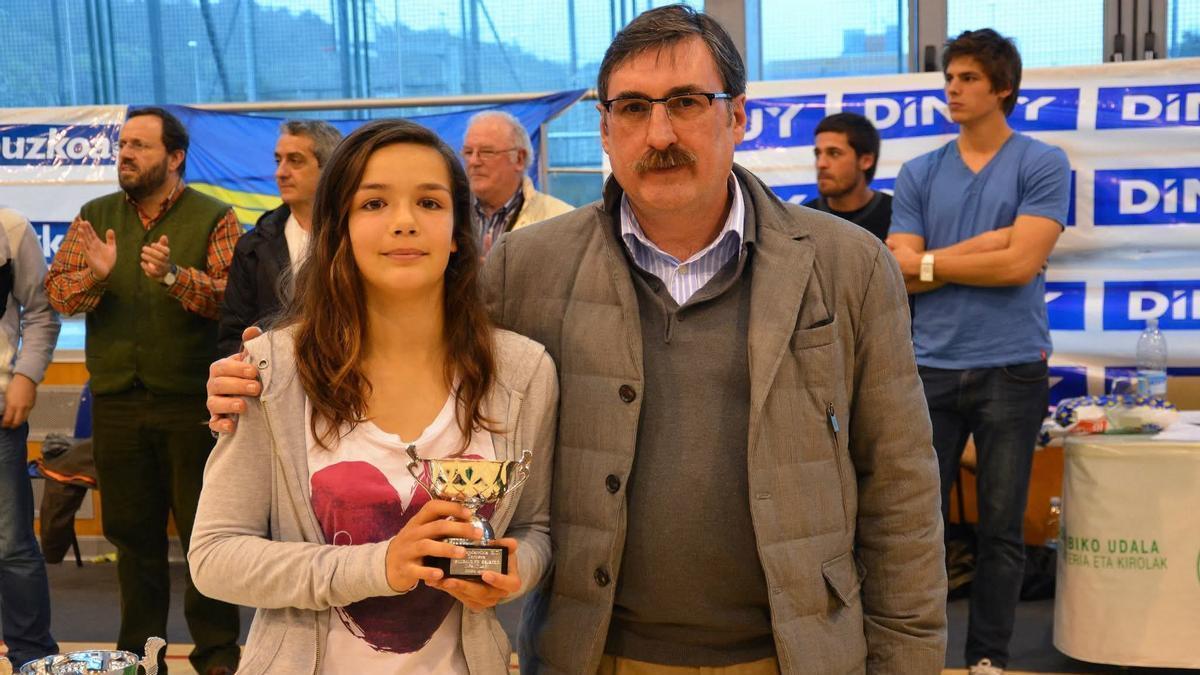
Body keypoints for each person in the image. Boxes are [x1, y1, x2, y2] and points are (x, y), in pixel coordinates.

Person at [207, 6, 946, 673]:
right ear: (604, 128)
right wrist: (260, 373)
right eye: (634, 108)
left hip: (798, 652)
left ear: (738, 116)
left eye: (687, 102)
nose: (660, 133)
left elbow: (901, 486)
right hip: (595, 652)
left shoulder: (847, 266)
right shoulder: (528, 268)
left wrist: (907, 659)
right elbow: (411, 329)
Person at [189, 119, 558, 675]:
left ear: (457, 231)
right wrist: (379, 566)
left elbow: (537, 530)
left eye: (429, 203)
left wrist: (514, 569)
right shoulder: (271, 370)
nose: (404, 222)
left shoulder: (523, 371)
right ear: (339, 229)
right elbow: (214, 556)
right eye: (374, 203)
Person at [888, 29, 1070, 675]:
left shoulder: (1041, 162)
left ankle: (988, 658)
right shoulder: (919, 171)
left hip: (1011, 366)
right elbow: (898, 273)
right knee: (915, 528)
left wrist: (935, 261)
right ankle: (913, 656)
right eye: (950, 78)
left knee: (1000, 527)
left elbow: (1020, 265)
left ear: (1003, 88)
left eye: (968, 78)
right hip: (929, 366)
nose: (953, 89)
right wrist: (987, 245)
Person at [44, 106, 242, 675]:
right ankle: (139, 658)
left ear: (174, 157)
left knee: (207, 535)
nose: (125, 154)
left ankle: (217, 657)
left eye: (140, 146)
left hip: (193, 406)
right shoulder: (96, 216)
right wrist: (97, 274)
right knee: (132, 540)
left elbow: (232, 299)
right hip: (117, 404)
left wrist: (175, 277)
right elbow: (59, 295)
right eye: (123, 144)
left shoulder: (215, 216)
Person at [218, 119, 342, 355]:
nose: (280, 173)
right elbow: (233, 333)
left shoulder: (356, 237)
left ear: (330, 168)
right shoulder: (253, 246)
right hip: (273, 372)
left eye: (295, 161)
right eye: (278, 161)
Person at [0, 207, 61, 668]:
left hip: (0, 414)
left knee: (12, 545)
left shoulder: (11, 229)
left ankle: (32, 658)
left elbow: (41, 312)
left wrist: (26, 376)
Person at [461, 111, 573, 255]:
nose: (473, 161)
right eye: (468, 152)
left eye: (487, 152)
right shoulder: (449, 215)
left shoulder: (560, 219)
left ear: (519, 158)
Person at [802, 112, 891, 241]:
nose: (821, 163)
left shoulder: (899, 218)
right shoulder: (803, 220)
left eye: (834, 153)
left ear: (866, 161)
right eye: (818, 154)